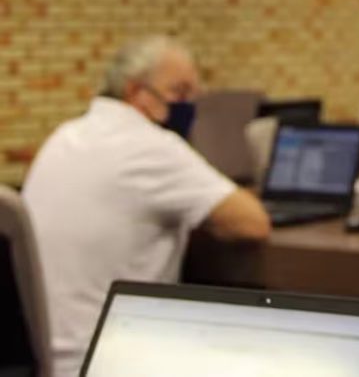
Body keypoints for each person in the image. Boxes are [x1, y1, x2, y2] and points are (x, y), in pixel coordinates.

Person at [23, 35, 271, 377]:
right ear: (135, 91)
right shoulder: (150, 145)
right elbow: (252, 223)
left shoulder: (64, 135)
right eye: (178, 92)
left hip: (44, 358)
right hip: (109, 359)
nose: (188, 105)